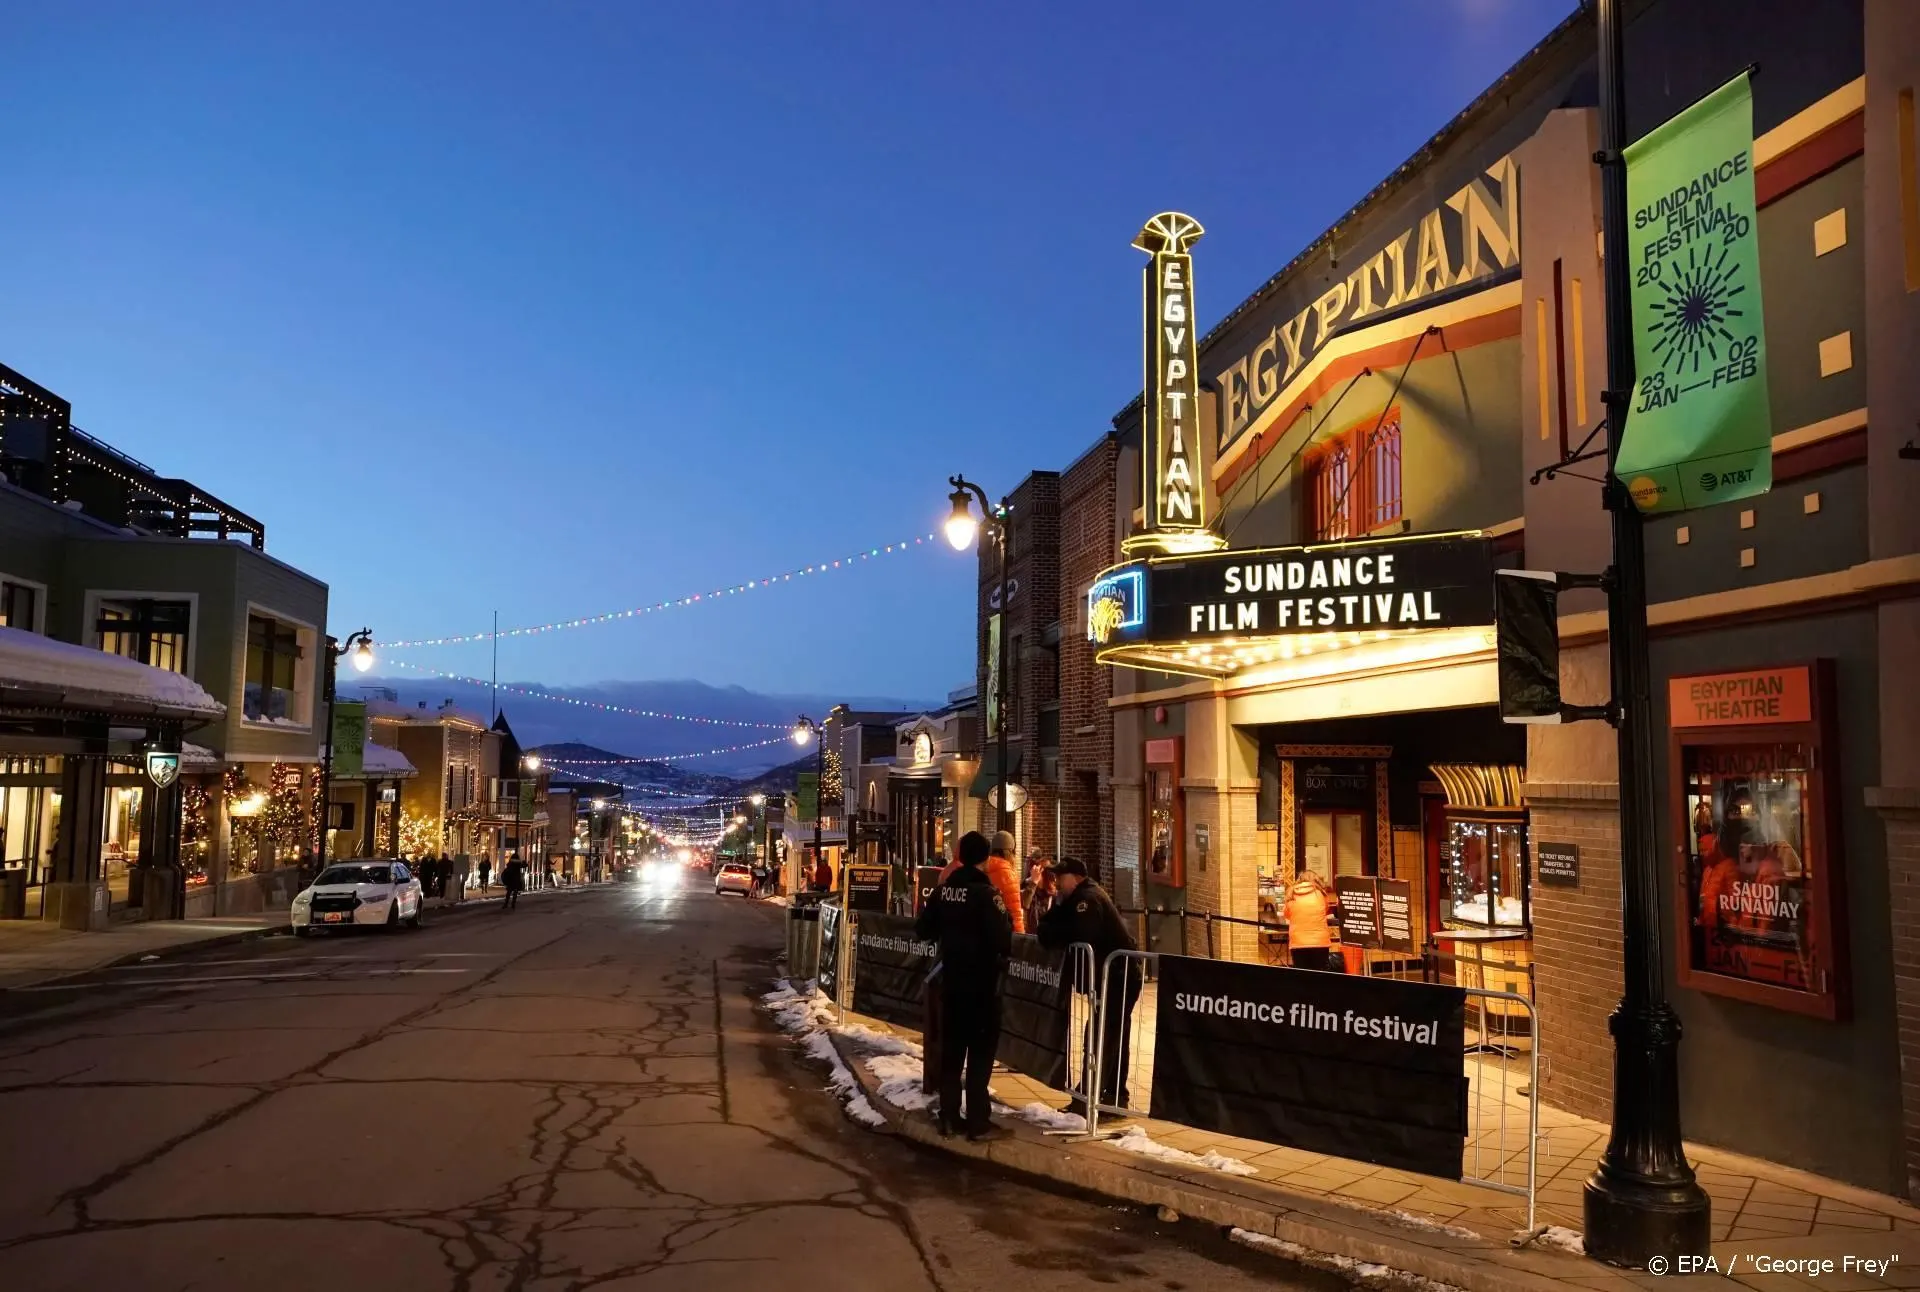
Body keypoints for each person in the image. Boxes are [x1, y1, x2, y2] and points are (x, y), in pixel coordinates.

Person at [915, 830, 1013, 1141]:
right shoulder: (987, 894)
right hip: (983, 986)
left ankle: (948, 1116)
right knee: (981, 1054)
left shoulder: (945, 892)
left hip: (953, 983)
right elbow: (1003, 938)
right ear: (986, 859)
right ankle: (977, 1121)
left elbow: (923, 929)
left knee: (952, 1053)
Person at [1037, 857, 1139, 1116]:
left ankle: (1091, 1098)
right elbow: (1046, 927)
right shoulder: (1072, 899)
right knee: (1110, 1034)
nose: (1057, 883)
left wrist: (1056, 929)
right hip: (1110, 977)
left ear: (1076, 877)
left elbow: (1079, 934)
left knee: (1101, 1036)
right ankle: (1113, 1097)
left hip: (1117, 977)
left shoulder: (1088, 899)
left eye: (1061, 878)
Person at [1283, 870, 1340, 970]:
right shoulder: (1321, 894)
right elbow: (1325, 910)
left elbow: (1287, 915)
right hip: (1320, 942)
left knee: (1302, 976)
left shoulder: (1291, 894)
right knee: (1319, 975)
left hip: (1298, 942)